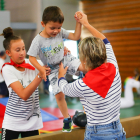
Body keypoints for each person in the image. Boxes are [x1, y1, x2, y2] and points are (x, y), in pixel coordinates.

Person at [58, 12, 126, 140]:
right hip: (117, 129)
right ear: (103, 54)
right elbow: (104, 40)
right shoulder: (113, 66)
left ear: (84, 61)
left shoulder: (83, 85)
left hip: (98, 133)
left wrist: (61, 76)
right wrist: (86, 24)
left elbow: (65, 88)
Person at [27, 6, 84, 132]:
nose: (56, 31)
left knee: (84, 68)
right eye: (52, 28)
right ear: (43, 24)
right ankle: (67, 118)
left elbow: (75, 36)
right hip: (52, 69)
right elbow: (31, 58)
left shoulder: (60, 31)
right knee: (59, 95)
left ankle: (83, 82)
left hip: (65, 59)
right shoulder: (38, 40)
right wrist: (41, 69)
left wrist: (79, 23)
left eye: (58, 27)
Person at [0, 27, 51, 140]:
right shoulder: (7, 69)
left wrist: (62, 54)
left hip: (32, 121)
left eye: (23, 49)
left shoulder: (32, 63)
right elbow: (23, 95)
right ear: (8, 53)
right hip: (12, 122)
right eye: (17, 50)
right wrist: (40, 74)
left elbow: (51, 62)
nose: (22, 53)